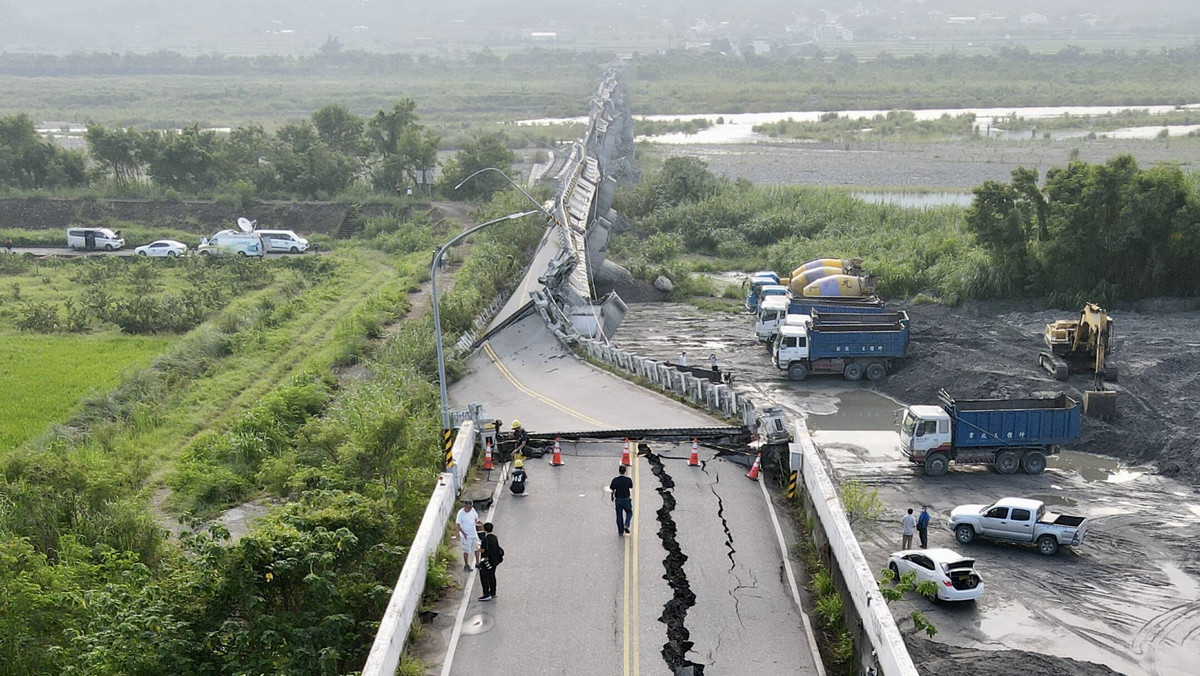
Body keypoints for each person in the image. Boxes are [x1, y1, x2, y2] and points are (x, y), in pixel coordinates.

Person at [478, 522, 503, 601]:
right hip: (494, 561)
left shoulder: (485, 539)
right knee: (492, 576)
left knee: (484, 577)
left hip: (486, 561)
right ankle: (493, 592)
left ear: (484, 529)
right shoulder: (494, 537)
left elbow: (482, 550)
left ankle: (486, 594)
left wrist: (478, 547)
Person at [455, 499, 481, 571]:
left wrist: (477, 524)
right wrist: (464, 533)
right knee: (467, 551)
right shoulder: (460, 514)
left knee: (477, 548)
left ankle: (478, 563)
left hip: (473, 533)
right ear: (465, 506)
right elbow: (458, 525)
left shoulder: (472, 510)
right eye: (468, 507)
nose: (470, 508)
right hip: (466, 535)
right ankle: (466, 565)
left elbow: (476, 518)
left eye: (471, 507)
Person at [610, 465, 634, 536]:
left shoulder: (615, 480)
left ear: (619, 471)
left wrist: (612, 497)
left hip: (618, 500)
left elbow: (612, 489)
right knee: (629, 512)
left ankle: (620, 531)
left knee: (619, 515)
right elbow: (631, 486)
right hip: (626, 499)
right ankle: (626, 524)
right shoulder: (628, 480)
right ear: (625, 471)